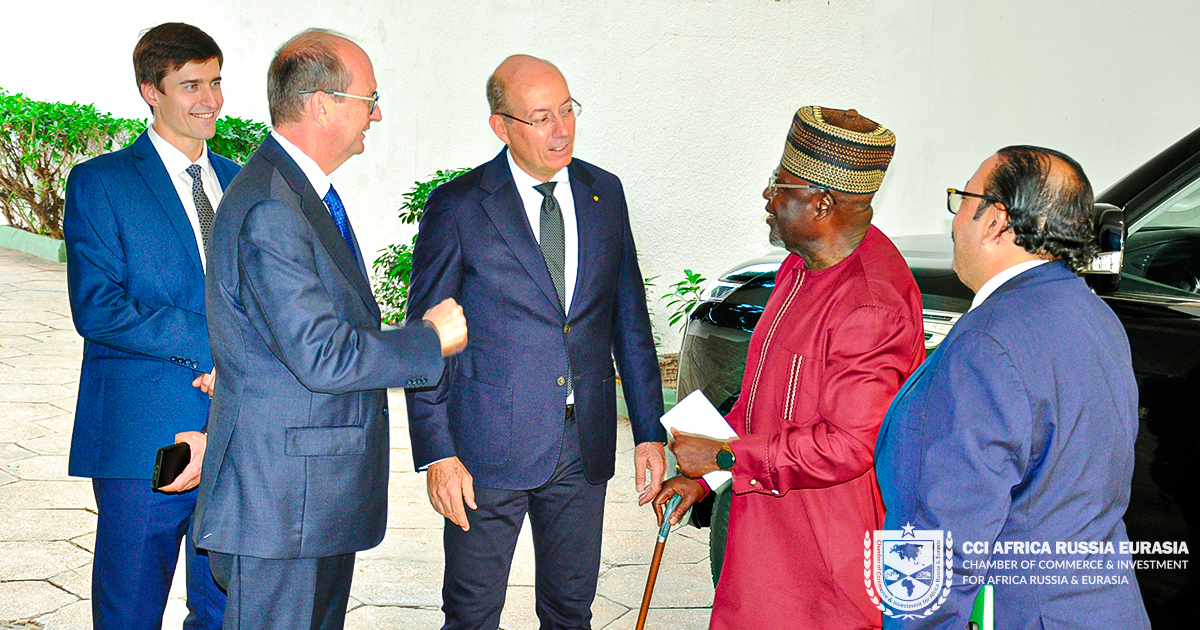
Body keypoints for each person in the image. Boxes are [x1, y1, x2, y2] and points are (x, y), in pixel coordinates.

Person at [191, 29, 467, 627]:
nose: (377, 114)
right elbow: (322, 355)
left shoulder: (294, 192)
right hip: (282, 507)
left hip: (306, 501)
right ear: (322, 104)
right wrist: (429, 339)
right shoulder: (273, 206)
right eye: (370, 99)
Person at [405, 54, 666, 629]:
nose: (562, 129)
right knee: (472, 615)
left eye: (568, 110)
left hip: (583, 443)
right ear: (501, 126)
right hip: (484, 448)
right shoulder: (459, 206)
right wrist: (438, 453)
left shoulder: (605, 193)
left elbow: (629, 320)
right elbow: (424, 338)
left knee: (571, 612)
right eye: (542, 117)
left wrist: (650, 431)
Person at [658, 106, 925, 630]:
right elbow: (763, 403)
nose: (767, 195)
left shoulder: (871, 303)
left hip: (823, 564)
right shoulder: (799, 267)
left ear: (821, 203)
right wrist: (707, 476)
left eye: (780, 184)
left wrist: (724, 455)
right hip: (765, 539)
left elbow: (848, 446)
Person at [873, 147, 1152, 629]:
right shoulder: (1097, 316)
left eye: (962, 200)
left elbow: (940, 541)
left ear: (996, 221)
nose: (955, 220)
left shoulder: (987, 342)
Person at [62, 22, 235, 629]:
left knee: (226, 614)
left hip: (237, 434)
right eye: (191, 85)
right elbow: (98, 307)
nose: (210, 99)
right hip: (144, 437)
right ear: (150, 91)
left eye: (215, 82)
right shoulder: (101, 182)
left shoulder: (242, 181)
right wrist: (219, 345)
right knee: (130, 613)